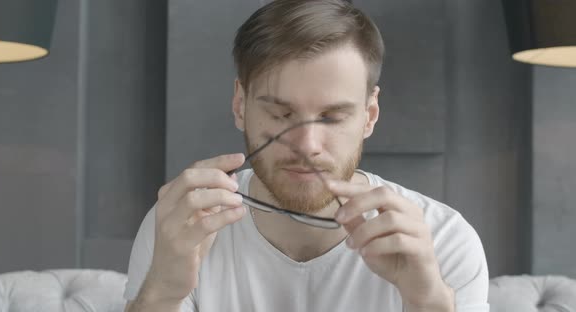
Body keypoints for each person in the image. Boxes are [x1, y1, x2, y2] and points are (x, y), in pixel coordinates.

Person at [124, 0, 489, 311]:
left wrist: (429, 301)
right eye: (281, 114)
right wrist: (162, 293)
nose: (306, 144)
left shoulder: (443, 239)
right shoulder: (183, 224)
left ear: (370, 115)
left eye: (332, 117)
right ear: (240, 105)